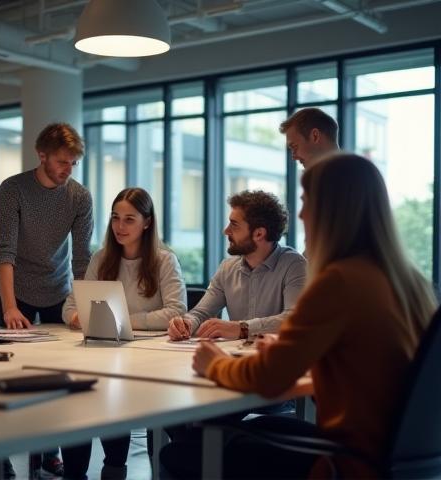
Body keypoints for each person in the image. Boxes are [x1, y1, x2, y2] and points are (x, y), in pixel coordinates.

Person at [162, 153, 438, 479]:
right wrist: (284, 353)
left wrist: (215, 364)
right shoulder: (410, 281)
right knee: (250, 429)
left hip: (345, 464)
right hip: (394, 460)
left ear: (330, 210)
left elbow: (268, 378)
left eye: (307, 201)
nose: (303, 213)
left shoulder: (338, 281)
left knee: (181, 452)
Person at [61, 187, 186, 479]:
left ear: (147, 222)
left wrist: (123, 320)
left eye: (130, 219)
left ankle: (114, 466)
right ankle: (74, 473)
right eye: (116, 218)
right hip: (103, 351)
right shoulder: (101, 259)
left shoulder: (165, 261)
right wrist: (79, 316)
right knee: (78, 399)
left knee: (112, 395)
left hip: (148, 358)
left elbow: (177, 311)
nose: (120, 226)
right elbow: (70, 305)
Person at [0, 122, 93, 477]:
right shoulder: (13, 189)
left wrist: (82, 306)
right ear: (43, 155)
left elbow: (82, 259)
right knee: (5, 370)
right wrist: (9, 307)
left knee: (56, 373)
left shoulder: (79, 197)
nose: (68, 169)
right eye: (63, 162)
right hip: (14, 288)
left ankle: (49, 450)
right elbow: (4, 251)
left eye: (73, 164)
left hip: (58, 289)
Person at [168, 190, 306, 342]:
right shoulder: (227, 268)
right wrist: (186, 323)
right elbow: (201, 313)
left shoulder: (294, 264)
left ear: (259, 234)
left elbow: (294, 319)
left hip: (278, 359)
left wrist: (242, 328)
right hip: (237, 356)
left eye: (234, 225)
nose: (225, 231)